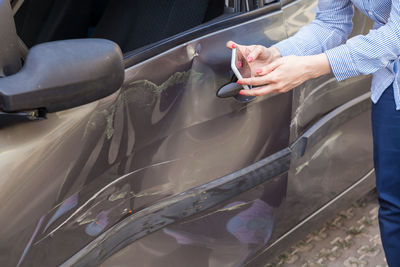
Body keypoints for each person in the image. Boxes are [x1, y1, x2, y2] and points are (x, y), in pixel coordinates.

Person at [226, 1, 400, 265]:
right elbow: (331, 23)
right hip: (391, 83)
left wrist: (309, 67)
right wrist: (275, 55)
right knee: (394, 208)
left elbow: (396, 35)